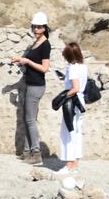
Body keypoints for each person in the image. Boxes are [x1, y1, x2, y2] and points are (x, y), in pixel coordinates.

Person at [11, 11, 51, 163]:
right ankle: (27, 152)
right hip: (30, 84)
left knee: (30, 120)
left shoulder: (45, 44)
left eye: (39, 27)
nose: (35, 29)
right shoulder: (35, 43)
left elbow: (44, 68)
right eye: (34, 26)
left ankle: (36, 153)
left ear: (44, 28)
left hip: (36, 86)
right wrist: (21, 61)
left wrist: (27, 61)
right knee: (28, 119)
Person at [57, 41, 87, 174]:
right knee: (76, 131)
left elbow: (75, 88)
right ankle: (75, 163)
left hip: (72, 102)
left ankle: (69, 164)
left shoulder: (73, 67)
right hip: (80, 101)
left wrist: (62, 96)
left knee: (67, 131)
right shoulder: (83, 66)